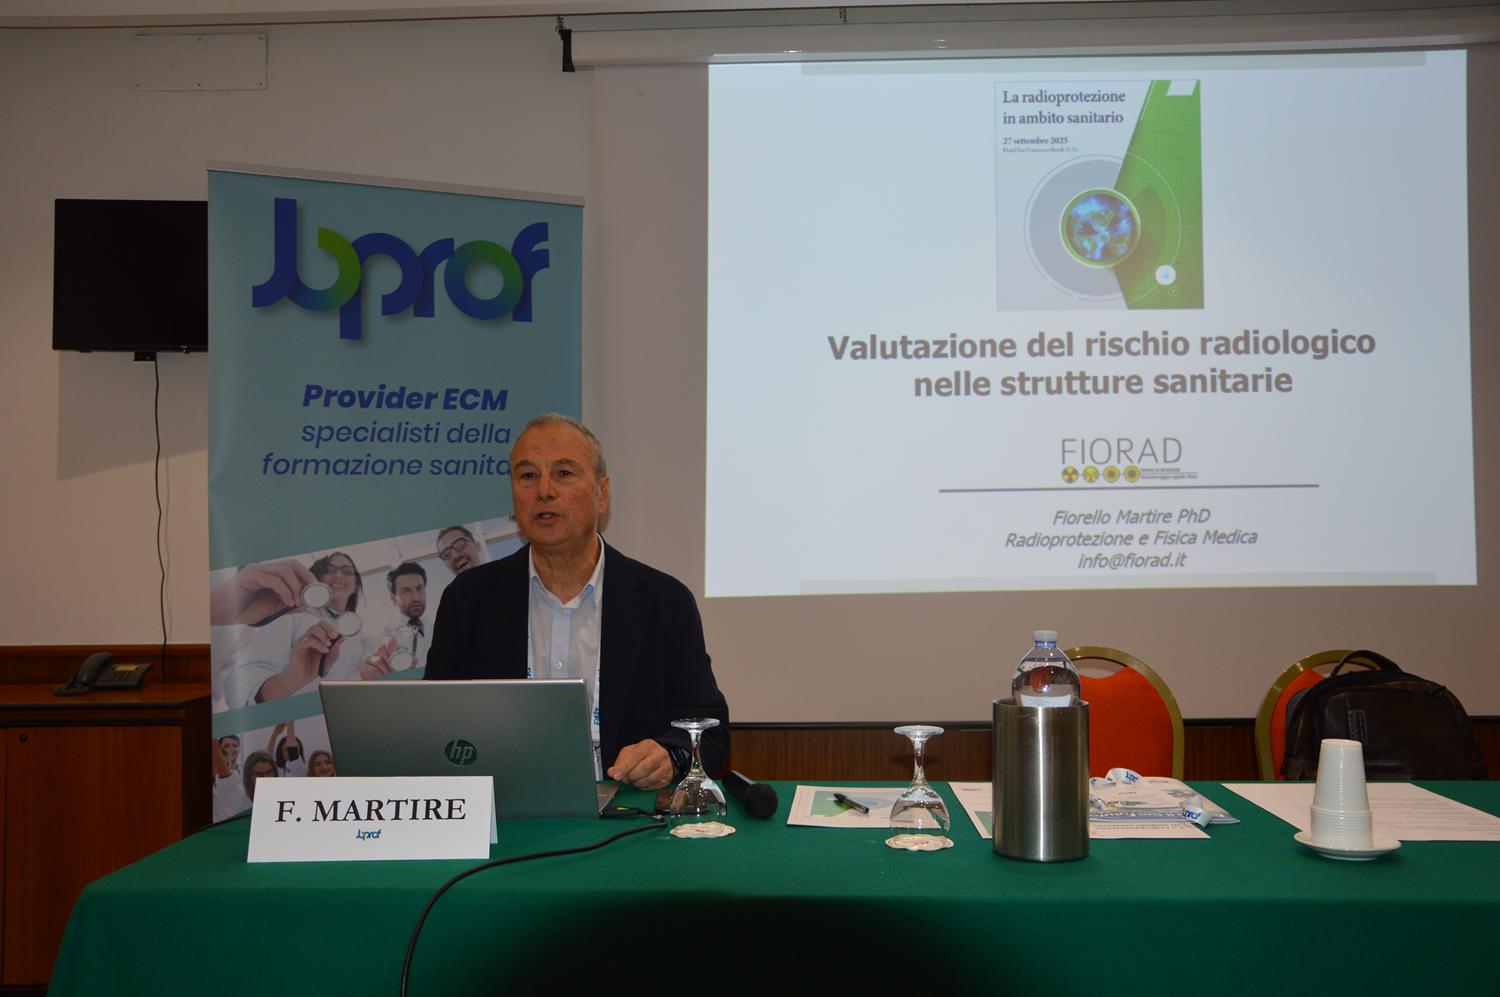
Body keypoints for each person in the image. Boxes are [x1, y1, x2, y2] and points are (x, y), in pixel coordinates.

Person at [425, 414, 729, 791]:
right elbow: (432, 726)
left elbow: (710, 733)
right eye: (528, 475)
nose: (544, 491)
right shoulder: (469, 600)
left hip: (627, 810)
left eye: (564, 473)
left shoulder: (663, 600)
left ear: (602, 493)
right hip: (506, 810)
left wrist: (672, 756)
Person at [219, 551, 375, 708]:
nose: (339, 575)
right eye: (329, 570)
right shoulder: (291, 616)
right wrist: (294, 678)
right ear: (317, 579)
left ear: (355, 586)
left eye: (347, 571)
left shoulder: (361, 639)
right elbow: (242, 684)